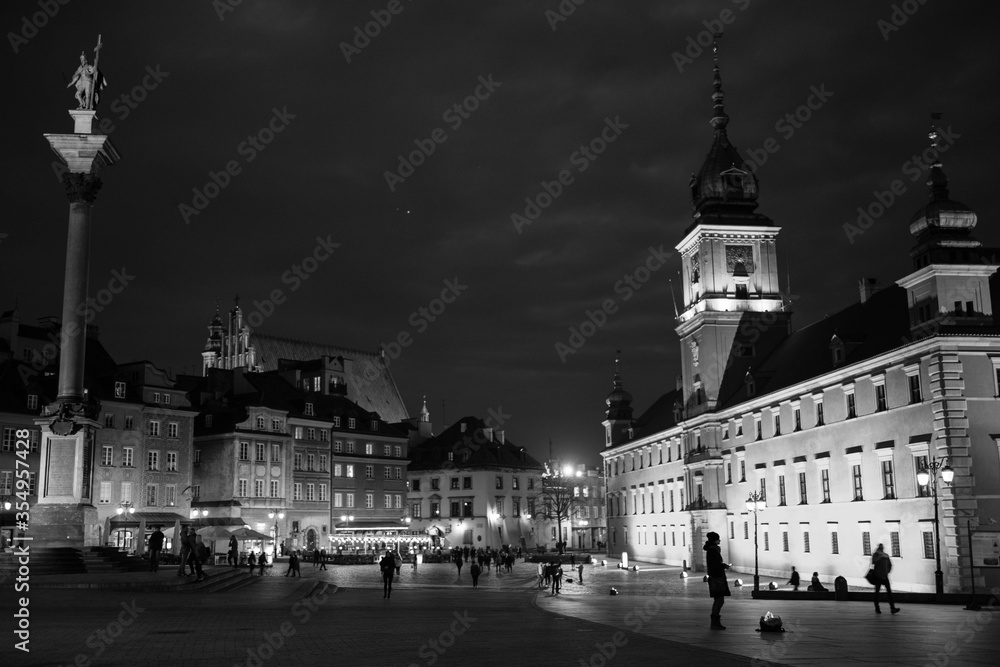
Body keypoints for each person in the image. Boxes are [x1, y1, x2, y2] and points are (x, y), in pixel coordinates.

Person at [704, 531, 731, 630]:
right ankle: (715, 622)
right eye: (718, 538)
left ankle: (715, 621)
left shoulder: (712, 550)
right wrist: (724, 565)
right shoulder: (713, 550)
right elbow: (715, 564)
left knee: (718, 600)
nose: (719, 540)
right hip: (717, 577)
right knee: (719, 600)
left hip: (715, 577)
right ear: (715, 540)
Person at [871, 543, 900, 614]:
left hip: (881, 576)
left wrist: (887, 571)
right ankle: (885, 608)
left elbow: (874, 562)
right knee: (883, 593)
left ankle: (888, 608)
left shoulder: (877, 555)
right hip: (880, 576)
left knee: (880, 593)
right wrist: (887, 571)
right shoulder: (883, 555)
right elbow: (889, 565)